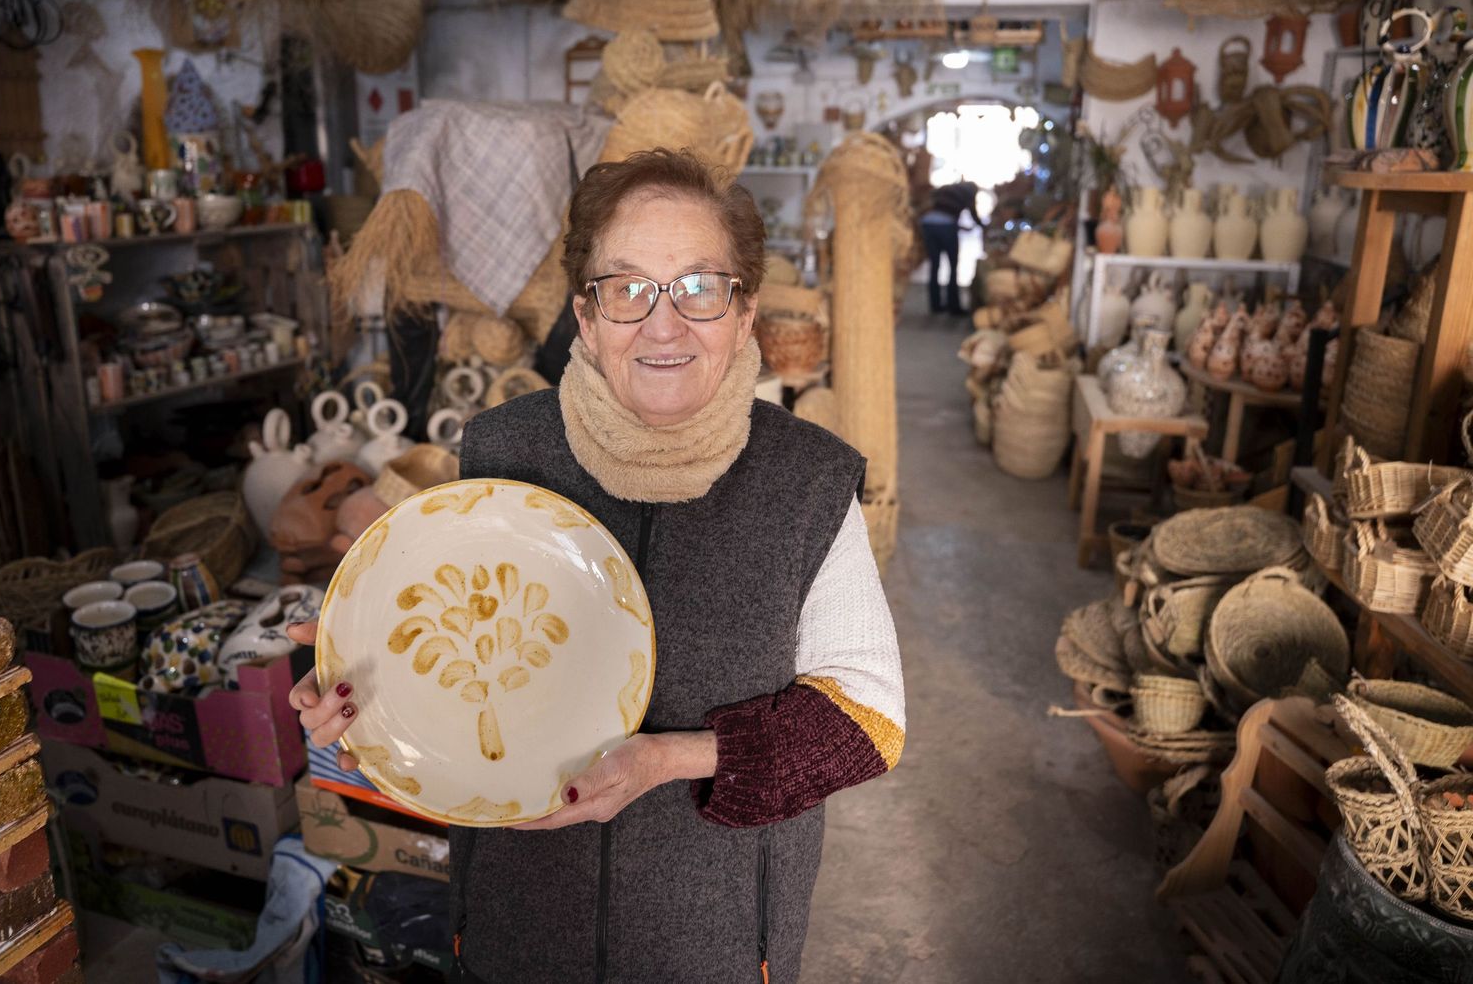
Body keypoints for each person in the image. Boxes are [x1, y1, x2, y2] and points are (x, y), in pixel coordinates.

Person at [287, 148, 905, 984]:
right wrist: (360, 678)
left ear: (745, 312)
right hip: (519, 920)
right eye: (626, 288)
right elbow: (463, 654)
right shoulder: (505, 449)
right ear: (585, 316)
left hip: (715, 940)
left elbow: (867, 724)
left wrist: (668, 759)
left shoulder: (806, 481)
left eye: (698, 287)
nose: (662, 324)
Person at [920, 181, 986, 316]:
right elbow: (972, 213)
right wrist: (982, 226)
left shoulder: (945, 188)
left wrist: (958, 226)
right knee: (953, 266)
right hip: (946, 226)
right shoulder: (969, 192)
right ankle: (954, 306)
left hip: (928, 223)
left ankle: (936, 305)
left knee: (934, 266)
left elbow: (937, 209)